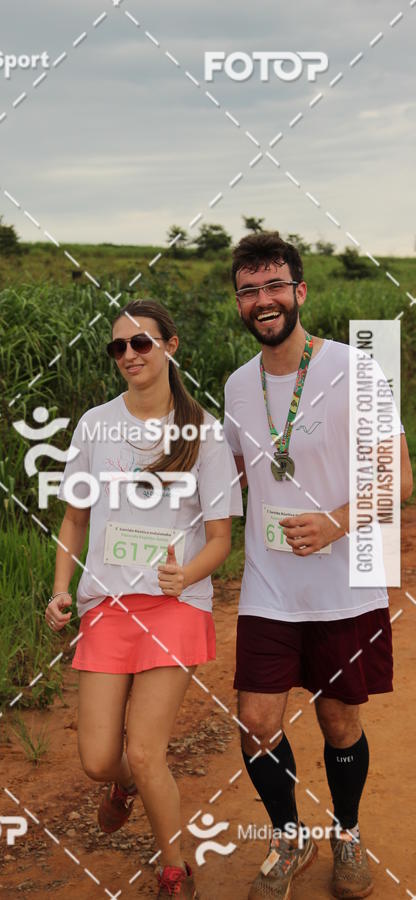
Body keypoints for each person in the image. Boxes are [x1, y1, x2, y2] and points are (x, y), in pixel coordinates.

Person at [223, 232, 413, 900]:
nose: (263, 300)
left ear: (300, 292)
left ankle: (349, 833)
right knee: (256, 721)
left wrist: (336, 520)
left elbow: (400, 477)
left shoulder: (356, 371)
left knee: (340, 722)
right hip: (269, 587)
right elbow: (237, 481)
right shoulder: (238, 387)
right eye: (249, 291)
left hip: (343, 584)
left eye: (274, 286)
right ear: (239, 304)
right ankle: (287, 836)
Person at [46, 298, 243, 899]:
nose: (128, 355)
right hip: (107, 604)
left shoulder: (203, 432)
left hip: (175, 606)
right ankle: (122, 787)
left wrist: (187, 578)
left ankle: (174, 869)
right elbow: (74, 518)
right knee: (101, 759)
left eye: (141, 344)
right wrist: (60, 589)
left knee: (147, 749)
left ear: (170, 346)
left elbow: (219, 538)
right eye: (118, 347)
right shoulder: (93, 425)